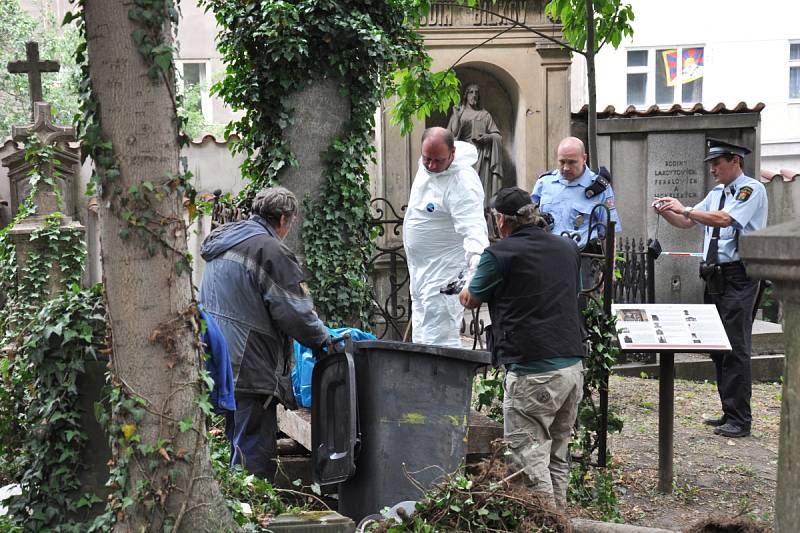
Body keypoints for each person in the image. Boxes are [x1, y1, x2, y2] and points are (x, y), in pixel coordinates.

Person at [459, 187, 585, 507]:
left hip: (533, 371)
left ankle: (546, 524)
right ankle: (562, 523)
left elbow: (472, 298)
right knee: (556, 457)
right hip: (571, 367)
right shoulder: (566, 248)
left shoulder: (500, 254)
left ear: (501, 220)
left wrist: (463, 285)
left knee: (528, 463)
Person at [199, 186, 329, 478]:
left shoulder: (227, 239)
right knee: (254, 451)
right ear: (284, 219)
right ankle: (253, 512)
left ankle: (238, 507)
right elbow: (295, 311)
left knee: (237, 438)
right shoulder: (269, 250)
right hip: (249, 362)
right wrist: (323, 340)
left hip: (218, 357)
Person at [653, 138, 768, 438]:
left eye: (717, 163)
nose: (712, 169)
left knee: (735, 346)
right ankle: (728, 412)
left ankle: (740, 419)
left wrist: (687, 209)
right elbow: (687, 222)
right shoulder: (717, 193)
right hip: (715, 276)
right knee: (718, 346)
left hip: (739, 275)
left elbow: (725, 220)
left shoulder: (750, 190)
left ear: (735, 161)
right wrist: (667, 210)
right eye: (711, 164)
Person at [403, 127, 489, 346]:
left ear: (452, 153)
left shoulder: (463, 184)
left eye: (438, 160)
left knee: (440, 341)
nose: (431, 165)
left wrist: (474, 277)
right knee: (422, 337)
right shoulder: (429, 168)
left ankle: (441, 380)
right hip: (421, 272)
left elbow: (475, 233)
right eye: (426, 159)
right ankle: (422, 380)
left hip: (444, 274)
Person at [531, 136, 621, 251]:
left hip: (582, 258)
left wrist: (609, 267)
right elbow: (528, 219)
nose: (566, 168)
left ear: (584, 158)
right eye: (562, 162)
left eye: (572, 162)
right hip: (546, 255)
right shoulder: (544, 183)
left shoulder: (598, 187)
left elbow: (608, 232)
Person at [447, 83, 504, 204]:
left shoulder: (485, 115)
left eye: (476, 93)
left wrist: (488, 137)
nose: (474, 95)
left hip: (481, 156)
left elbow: (497, 135)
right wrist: (456, 117)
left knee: (479, 188)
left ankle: (482, 211)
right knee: (464, 187)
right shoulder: (460, 112)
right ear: (466, 95)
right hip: (463, 157)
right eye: (471, 92)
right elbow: (452, 135)